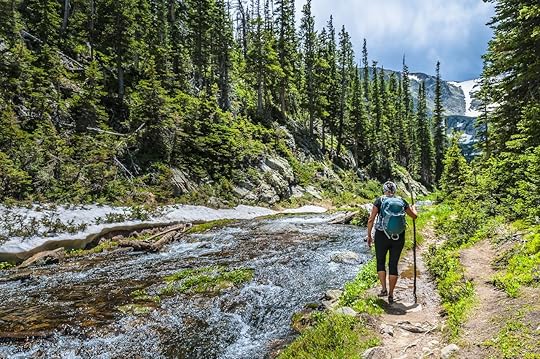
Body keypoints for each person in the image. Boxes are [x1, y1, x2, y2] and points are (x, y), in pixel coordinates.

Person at [366, 181, 417, 303]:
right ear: (395, 190)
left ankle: (383, 289)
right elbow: (414, 216)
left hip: (381, 235)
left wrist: (369, 236)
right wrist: (414, 209)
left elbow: (371, 219)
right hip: (398, 236)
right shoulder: (402, 201)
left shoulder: (380, 201)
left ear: (384, 190)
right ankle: (391, 294)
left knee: (381, 262)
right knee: (393, 264)